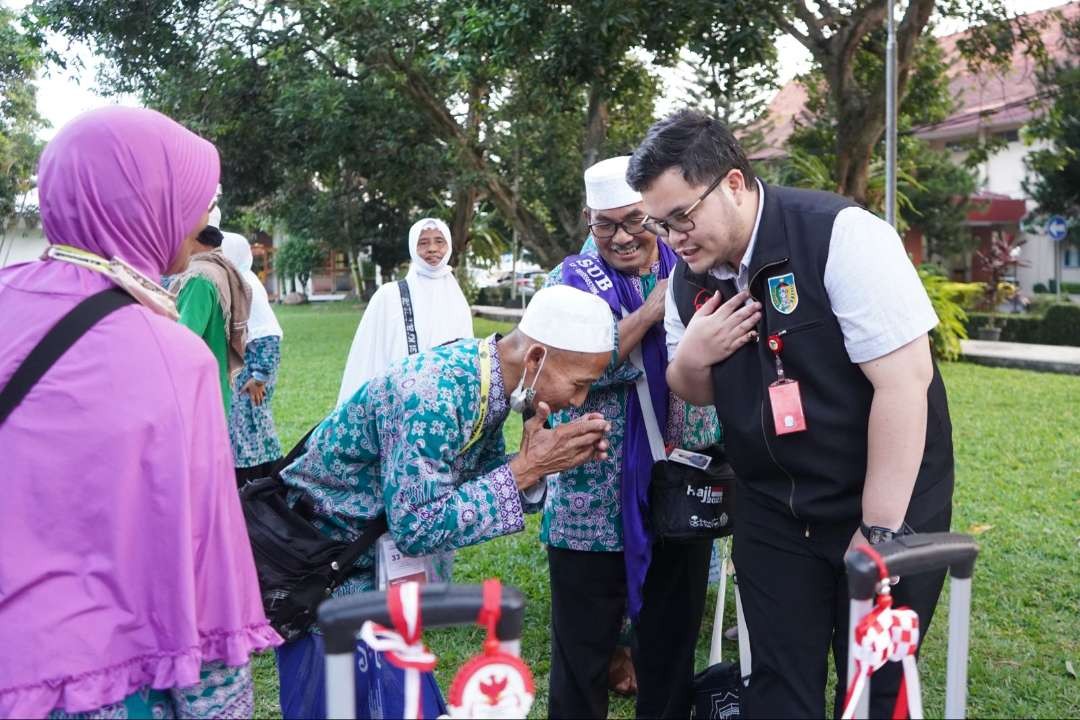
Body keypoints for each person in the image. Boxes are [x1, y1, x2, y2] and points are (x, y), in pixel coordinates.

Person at [627, 109, 954, 718]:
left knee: (874, 683)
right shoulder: (686, 280)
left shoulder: (841, 236)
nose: (673, 239)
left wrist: (879, 530)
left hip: (886, 495)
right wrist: (695, 355)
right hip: (772, 505)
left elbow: (906, 384)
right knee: (778, 684)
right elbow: (691, 387)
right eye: (660, 224)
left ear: (730, 182)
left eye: (681, 218)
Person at [0, 107, 279, 718]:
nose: (202, 220)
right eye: (193, 200)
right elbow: (203, 567)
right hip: (95, 675)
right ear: (145, 202)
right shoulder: (169, 355)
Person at [275, 284, 617, 719]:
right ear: (535, 359)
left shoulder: (483, 381)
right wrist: (527, 469)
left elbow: (467, 486)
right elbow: (417, 525)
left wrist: (540, 465)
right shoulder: (436, 392)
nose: (579, 399)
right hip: (325, 579)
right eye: (580, 383)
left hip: (363, 576)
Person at [542, 156, 724, 719]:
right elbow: (570, 368)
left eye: (634, 221)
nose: (621, 238)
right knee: (583, 653)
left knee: (670, 650)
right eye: (605, 225)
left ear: (656, 215)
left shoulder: (694, 269)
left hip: (679, 490)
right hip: (588, 503)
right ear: (587, 220)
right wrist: (649, 312)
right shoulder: (566, 285)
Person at [337, 217, 473, 405]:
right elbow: (367, 354)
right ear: (412, 247)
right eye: (423, 243)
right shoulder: (388, 295)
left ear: (448, 245)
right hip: (399, 400)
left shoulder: (457, 299)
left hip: (446, 402)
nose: (432, 248)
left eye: (439, 241)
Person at [221, 231, 285, 486]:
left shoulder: (246, 285)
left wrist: (260, 377)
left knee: (251, 431)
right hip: (243, 374)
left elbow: (267, 336)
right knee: (245, 433)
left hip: (251, 377)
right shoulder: (236, 281)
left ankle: (257, 489)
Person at [171, 210, 252, 412]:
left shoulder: (198, 278)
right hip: (214, 392)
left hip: (194, 396)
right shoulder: (221, 269)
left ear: (192, 236)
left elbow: (181, 341)